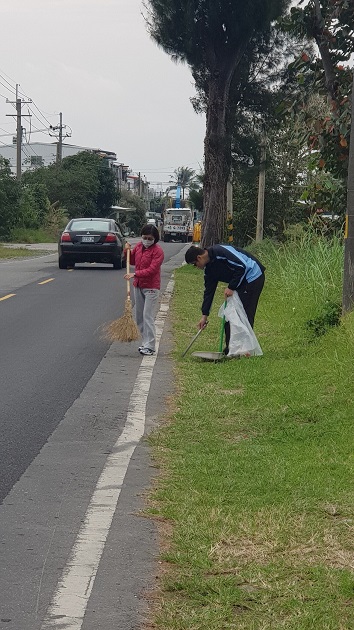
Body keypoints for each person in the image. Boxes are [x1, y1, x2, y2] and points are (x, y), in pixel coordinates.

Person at [185, 244, 265, 354]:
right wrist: (204, 315)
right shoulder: (209, 270)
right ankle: (231, 349)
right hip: (241, 281)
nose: (196, 267)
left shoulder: (220, 252)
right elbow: (209, 292)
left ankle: (246, 350)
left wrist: (231, 287)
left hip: (253, 276)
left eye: (195, 264)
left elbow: (242, 267)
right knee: (230, 315)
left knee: (244, 314)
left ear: (199, 257)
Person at [124, 224, 164, 356]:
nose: (147, 240)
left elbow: (152, 270)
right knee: (139, 316)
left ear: (155, 239)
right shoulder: (139, 247)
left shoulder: (158, 252)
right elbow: (132, 261)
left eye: (149, 238)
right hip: (138, 285)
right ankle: (145, 342)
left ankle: (151, 345)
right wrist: (127, 251)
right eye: (145, 237)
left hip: (151, 287)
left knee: (148, 316)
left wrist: (135, 274)